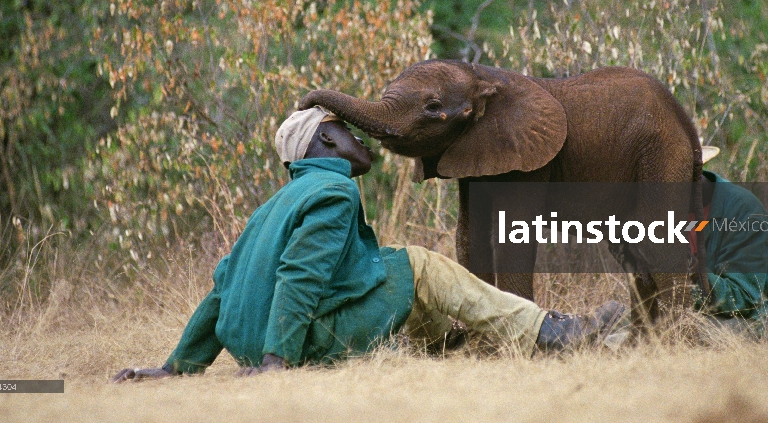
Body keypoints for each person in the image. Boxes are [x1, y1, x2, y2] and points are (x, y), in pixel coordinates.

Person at [113, 107, 624, 382]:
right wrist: (276, 359)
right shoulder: (333, 190)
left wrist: (178, 366)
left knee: (396, 274)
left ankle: (472, 348)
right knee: (420, 265)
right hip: (300, 343)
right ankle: (553, 332)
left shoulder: (270, 207)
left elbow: (221, 293)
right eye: (349, 131)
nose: (362, 141)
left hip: (268, 340)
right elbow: (300, 276)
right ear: (328, 142)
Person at [690, 146, 768, 343]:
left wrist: (694, 273)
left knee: (694, 335)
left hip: (753, 318)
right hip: (694, 318)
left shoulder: (742, 210)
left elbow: (743, 297)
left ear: (696, 171)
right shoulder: (663, 210)